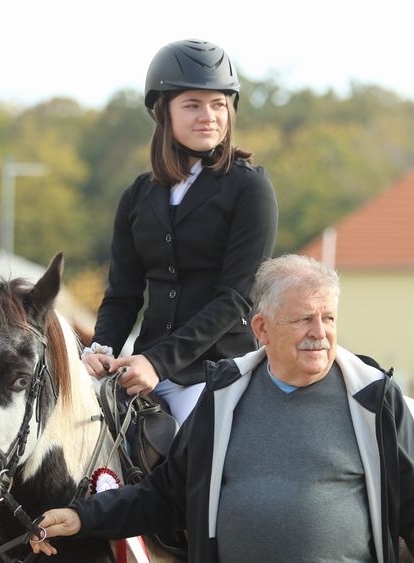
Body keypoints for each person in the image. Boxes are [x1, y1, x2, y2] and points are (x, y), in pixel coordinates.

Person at [30, 254, 414, 562]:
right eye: (303, 320)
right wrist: (81, 516)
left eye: (328, 318)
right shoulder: (223, 397)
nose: (320, 333)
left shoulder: (373, 398)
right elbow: (165, 496)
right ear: (262, 329)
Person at [81, 38, 278, 426]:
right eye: (193, 105)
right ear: (163, 112)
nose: (209, 116)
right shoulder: (137, 196)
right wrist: (100, 348)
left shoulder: (250, 189)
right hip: (144, 372)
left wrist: (158, 362)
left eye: (218, 104)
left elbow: (236, 298)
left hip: (218, 373)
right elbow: (122, 295)